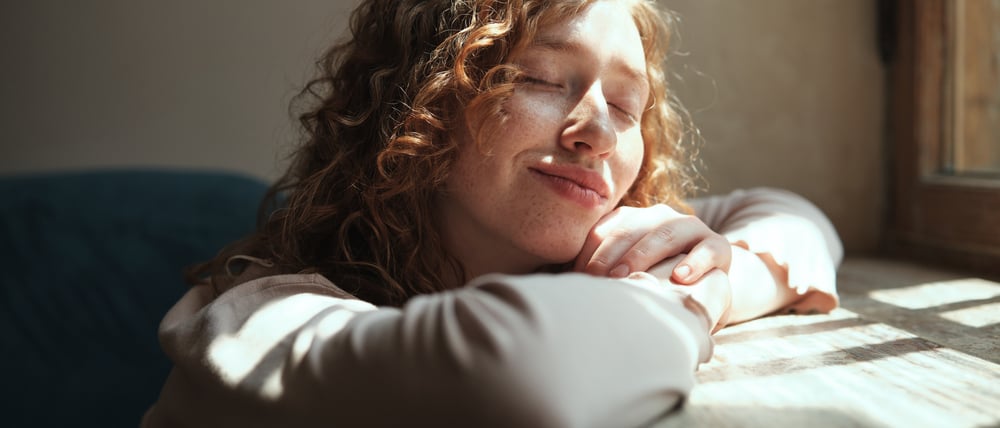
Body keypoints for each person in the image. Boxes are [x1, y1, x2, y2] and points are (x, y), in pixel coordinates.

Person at [142, 0, 842, 426]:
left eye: (627, 105)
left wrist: (732, 267)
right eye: (539, 79)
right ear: (421, 101)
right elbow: (522, 381)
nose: (596, 130)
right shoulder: (250, 322)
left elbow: (790, 216)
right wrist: (693, 290)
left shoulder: (586, 238)